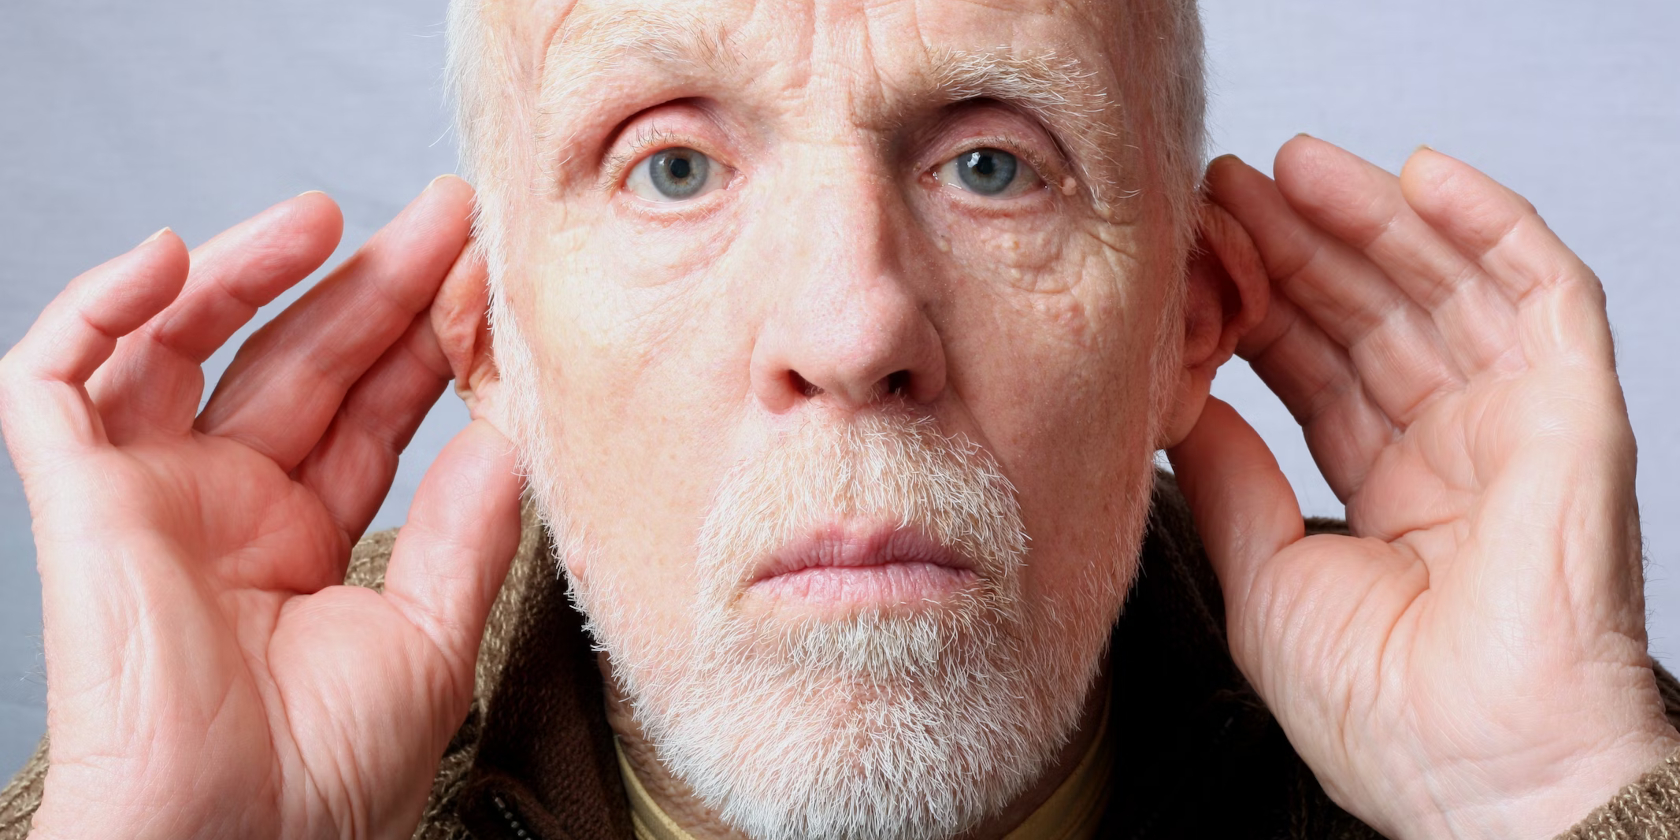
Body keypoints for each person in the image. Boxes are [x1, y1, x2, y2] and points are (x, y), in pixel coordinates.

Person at [3, 0, 1678, 837]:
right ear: (490, 337)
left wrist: (1560, 801)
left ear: (1188, 320)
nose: (853, 325)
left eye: (992, 163)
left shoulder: (1513, 775)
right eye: (672, 164)